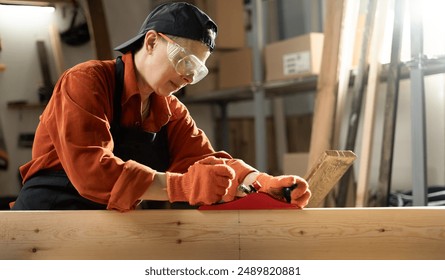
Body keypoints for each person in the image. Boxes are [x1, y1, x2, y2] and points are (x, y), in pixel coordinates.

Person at [11, 2, 311, 211]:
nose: (188, 77)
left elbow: (203, 159)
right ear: (152, 42)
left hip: (108, 229)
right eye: (185, 62)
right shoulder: (87, 80)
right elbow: (92, 172)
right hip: (48, 224)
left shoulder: (170, 109)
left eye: (197, 70)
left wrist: (260, 181)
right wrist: (182, 187)